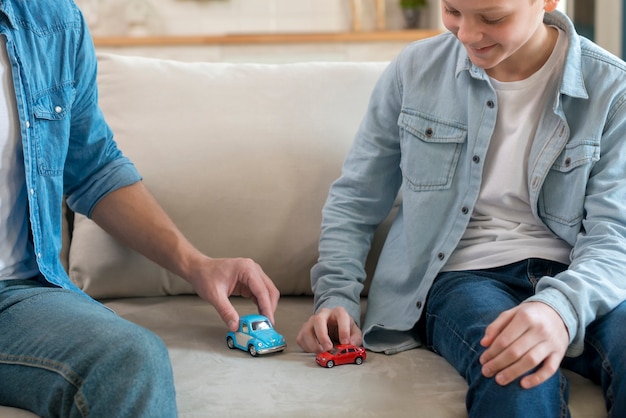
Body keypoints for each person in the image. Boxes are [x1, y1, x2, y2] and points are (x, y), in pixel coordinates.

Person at [297, 0, 626, 416]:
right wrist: (335, 297)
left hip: (579, 273)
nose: (467, 34)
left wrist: (558, 310)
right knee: (512, 372)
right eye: (452, 10)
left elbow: (615, 237)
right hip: (464, 277)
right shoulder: (415, 70)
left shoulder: (613, 88)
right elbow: (355, 199)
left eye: (492, 18)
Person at [0, 1, 279, 416]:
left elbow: (93, 169)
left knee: (131, 359)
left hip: (15, 298)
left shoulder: (53, 20)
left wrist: (197, 265)